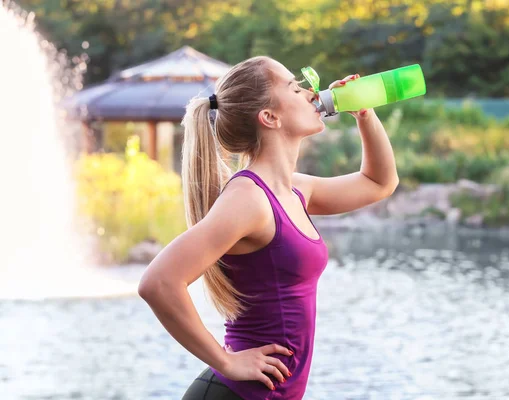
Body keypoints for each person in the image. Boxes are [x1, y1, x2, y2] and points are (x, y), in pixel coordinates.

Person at [137, 56, 399, 400]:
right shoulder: (249, 199)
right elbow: (158, 282)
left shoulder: (293, 191)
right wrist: (226, 361)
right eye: (294, 86)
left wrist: (365, 115)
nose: (310, 92)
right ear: (270, 117)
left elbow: (378, 182)